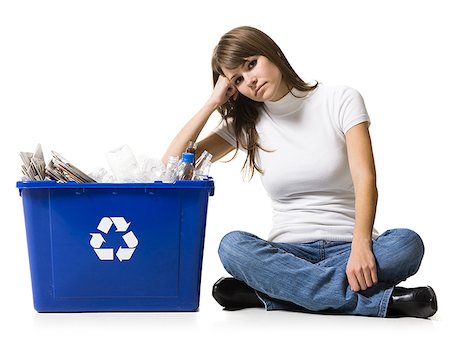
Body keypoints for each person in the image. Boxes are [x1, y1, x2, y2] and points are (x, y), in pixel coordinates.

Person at [162, 26, 437, 318]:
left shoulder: (340, 99)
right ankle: (382, 302)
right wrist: (212, 102)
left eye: (251, 64)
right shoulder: (246, 125)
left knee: (407, 244)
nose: (250, 81)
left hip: (352, 247)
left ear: (272, 53)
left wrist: (361, 245)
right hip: (287, 254)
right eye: (238, 80)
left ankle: (273, 292)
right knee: (232, 247)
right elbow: (171, 166)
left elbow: (365, 178)